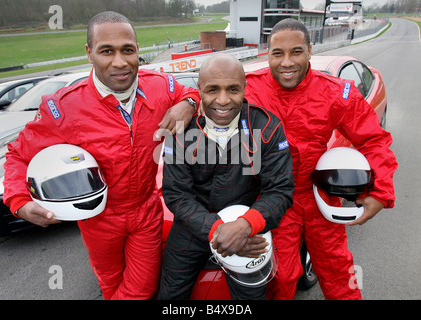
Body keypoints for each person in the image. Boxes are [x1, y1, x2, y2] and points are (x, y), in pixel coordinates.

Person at [3, 11, 199, 300]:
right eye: (107, 51)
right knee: (110, 285)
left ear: (137, 51)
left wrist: (189, 103)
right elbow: (18, 156)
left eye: (127, 50)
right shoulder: (64, 108)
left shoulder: (161, 87)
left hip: (146, 212)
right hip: (97, 218)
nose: (119, 62)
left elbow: (194, 91)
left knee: (142, 289)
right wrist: (19, 202)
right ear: (89, 53)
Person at [244, 18, 398, 300]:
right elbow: (208, 91)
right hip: (273, 198)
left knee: (340, 274)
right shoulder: (248, 88)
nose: (287, 62)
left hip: (318, 197)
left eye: (296, 52)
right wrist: (188, 102)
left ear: (310, 51)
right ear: (266, 54)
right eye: (278, 53)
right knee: (278, 278)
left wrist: (380, 191)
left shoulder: (335, 92)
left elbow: (374, 139)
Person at [157, 53, 294, 299]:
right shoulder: (180, 129)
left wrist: (246, 226)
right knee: (171, 296)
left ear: (244, 88)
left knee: (251, 297)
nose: (222, 100)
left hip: (248, 232)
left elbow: (280, 191)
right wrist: (217, 229)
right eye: (212, 90)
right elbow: (176, 194)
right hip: (190, 230)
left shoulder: (267, 127)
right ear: (199, 89)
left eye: (233, 89)